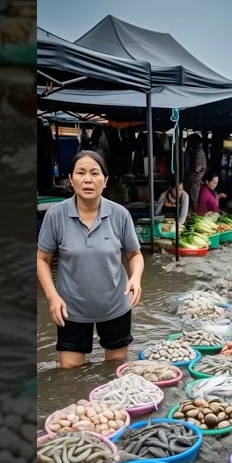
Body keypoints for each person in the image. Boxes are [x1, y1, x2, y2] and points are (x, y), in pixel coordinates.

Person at [37, 151, 144, 369]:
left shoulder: (119, 214)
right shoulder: (55, 215)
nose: (87, 179)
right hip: (70, 309)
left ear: (105, 181)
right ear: (70, 179)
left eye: (95, 173)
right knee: (69, 375)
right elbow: (41, 259)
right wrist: (52, 297)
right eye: (81, 173)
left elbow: (134, 254)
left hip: (115, 305)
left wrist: (136, 278)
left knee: (115, 371)